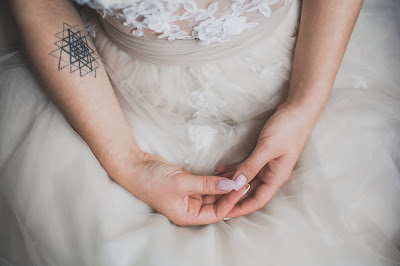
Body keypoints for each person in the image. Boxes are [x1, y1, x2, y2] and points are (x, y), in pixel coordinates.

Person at [1, 0, 399, 265]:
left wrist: (305, 103)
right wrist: (128, 162)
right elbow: (41, 5)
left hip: (308, 58)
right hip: (108, 100)